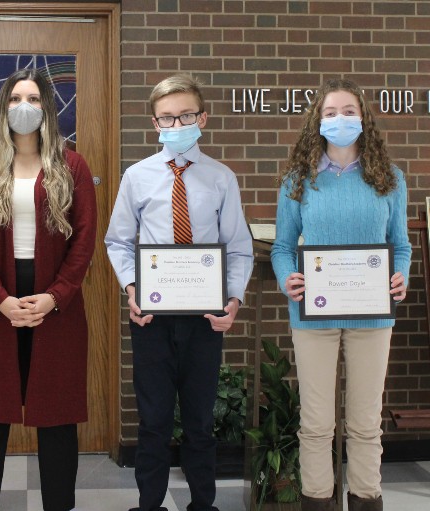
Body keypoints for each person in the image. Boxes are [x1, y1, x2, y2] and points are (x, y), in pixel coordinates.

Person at [105, 74, 253, 511]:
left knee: (200, 422)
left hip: (205, 320)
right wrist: (131, 287)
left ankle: (202, 505)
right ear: (155, 123)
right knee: (151, 422)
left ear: (202, 118)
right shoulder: (137, 177)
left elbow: (239, 248)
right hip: (151, 317)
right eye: (167, 118)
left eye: (185, 115)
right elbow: (117, 240)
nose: (177, 124)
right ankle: (148, 505)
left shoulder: (222, 178)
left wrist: (233, 300)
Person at [0, 68, 97, 511]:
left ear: (47, 108)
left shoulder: (72, 166)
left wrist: (56, 295)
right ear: (3, 108)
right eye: (16, 97)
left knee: (56, 412)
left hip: (56, 299)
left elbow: (85, 239)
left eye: (34, 98)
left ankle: (58, 503)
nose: (24, 106)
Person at [270, 78, 410, 511]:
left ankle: (366, 500)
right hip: (314, 315)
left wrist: (400, 276)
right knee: (315, 425)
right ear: (318, 121)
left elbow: (400, 245)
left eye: (349, 111)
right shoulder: (298, 180)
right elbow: (282, 247)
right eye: (330, 112)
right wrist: (287, 278)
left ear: (363, 118)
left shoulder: (390, 179)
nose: (340, 119)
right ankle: (317, 501)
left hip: (373, 316)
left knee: (366, 425)